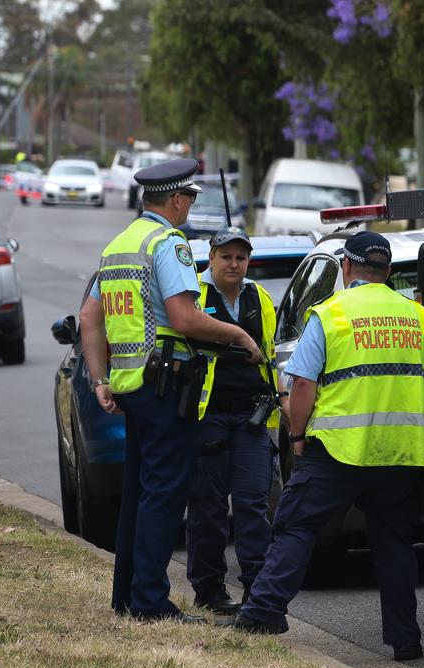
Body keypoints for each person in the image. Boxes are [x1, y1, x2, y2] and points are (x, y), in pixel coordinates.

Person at [220, 232, 424, 662]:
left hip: (337, 450)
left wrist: (297, 435)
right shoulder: (417, 316)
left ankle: (264, 611)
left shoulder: (330, 314)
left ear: (346, 267)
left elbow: (303, 382)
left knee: (296, 526)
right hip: (402, 454)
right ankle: (405, 639)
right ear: (386, 272)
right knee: (395, 544)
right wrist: (420, 420)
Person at [79, 158, 263, 622]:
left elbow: (89, 318)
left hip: (131, 384)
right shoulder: (168, 243)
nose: (189, 207)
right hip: (165, 384)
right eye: (190, 199)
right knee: (163, 494)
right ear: (177, 199)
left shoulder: (120, 245)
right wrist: (239, 335)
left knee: (139, 494)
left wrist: (101, 379)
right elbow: (184, 318)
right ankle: (150, 603)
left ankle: (128, 596)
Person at [187, 227, 282, 615]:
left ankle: (255, 592)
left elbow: (271, 357)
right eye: (226, 256)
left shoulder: (260, 298)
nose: (233, 264)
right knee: (207, 507)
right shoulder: (192, 293)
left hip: (251, 418)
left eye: (240, 258)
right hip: (206, 416)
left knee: (252, 504)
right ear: (211, 258)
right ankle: (208, 591)